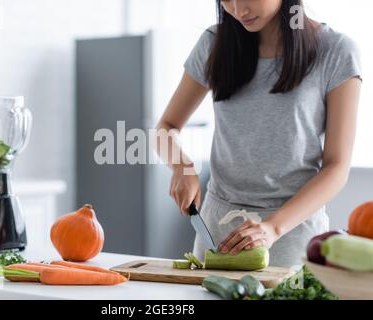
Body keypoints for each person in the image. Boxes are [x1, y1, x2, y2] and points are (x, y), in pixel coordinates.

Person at [155, 0, 362, 267]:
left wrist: (273, 228)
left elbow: (337, 167)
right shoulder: (214, 43)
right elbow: (166, 127)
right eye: (227, 0)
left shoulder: (336, 51)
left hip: (292, 235)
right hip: (218, 233)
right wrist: (181, 167)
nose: (239, 11)